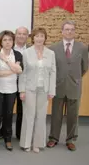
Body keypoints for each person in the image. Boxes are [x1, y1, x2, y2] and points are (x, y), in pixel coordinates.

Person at [47, 21, 88, 151]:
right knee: (56, 114)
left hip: (74, 86)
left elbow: (85, 67)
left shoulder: (82, 48)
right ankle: (53, 138)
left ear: (74, 31)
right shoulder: (53, 48)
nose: (69, 32)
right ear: (62, 31)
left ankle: (70, 139)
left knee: (73, 115)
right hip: (58, 86)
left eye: (72, 29)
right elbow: (52, 68)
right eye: (66, 29)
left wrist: (74, 78)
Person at [19, 27, 56, 153]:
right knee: (29, 115)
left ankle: (38, 143)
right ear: (32, 38)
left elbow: (53, 73)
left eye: (42, 36)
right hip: (29, 88)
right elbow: (23, 73)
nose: (39, 38)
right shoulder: (27, 52)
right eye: (37, 36)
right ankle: (26, 143)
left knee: (41, 116)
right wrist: (22, 90)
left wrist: (52, 91)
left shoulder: (50, 53)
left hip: (44, 89)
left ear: (45, 38)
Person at [0, 31, 23, 151]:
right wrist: (12, 69)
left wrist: (5, 60)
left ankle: (8, 139)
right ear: (1, 42)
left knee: (8, 115)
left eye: (10, 39)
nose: (7, 42)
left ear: (13, 41)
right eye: (5, 40)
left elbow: (19, 70)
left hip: (12, 89)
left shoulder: (18, 54)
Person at [13, 26, 29, 139]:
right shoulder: (7, 48)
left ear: (27, 36)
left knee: (22, 111)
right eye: (19, 33)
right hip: (9, 83)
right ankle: (4, 132)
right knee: (6, 111)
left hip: (25, 85)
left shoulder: (31, 51)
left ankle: (20, 134)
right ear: (15, 35)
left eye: (24, 34)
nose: (21, 36)